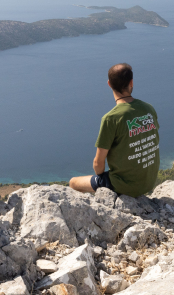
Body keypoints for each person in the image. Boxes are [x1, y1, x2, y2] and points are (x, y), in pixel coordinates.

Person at [69, 63, 160, 197]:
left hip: (124, 186)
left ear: (109, 84)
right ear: (131, 82)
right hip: (149, 182)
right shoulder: (149, 109)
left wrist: (102, 180)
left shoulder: (111, 118)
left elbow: (98, 163)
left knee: (73, 183)